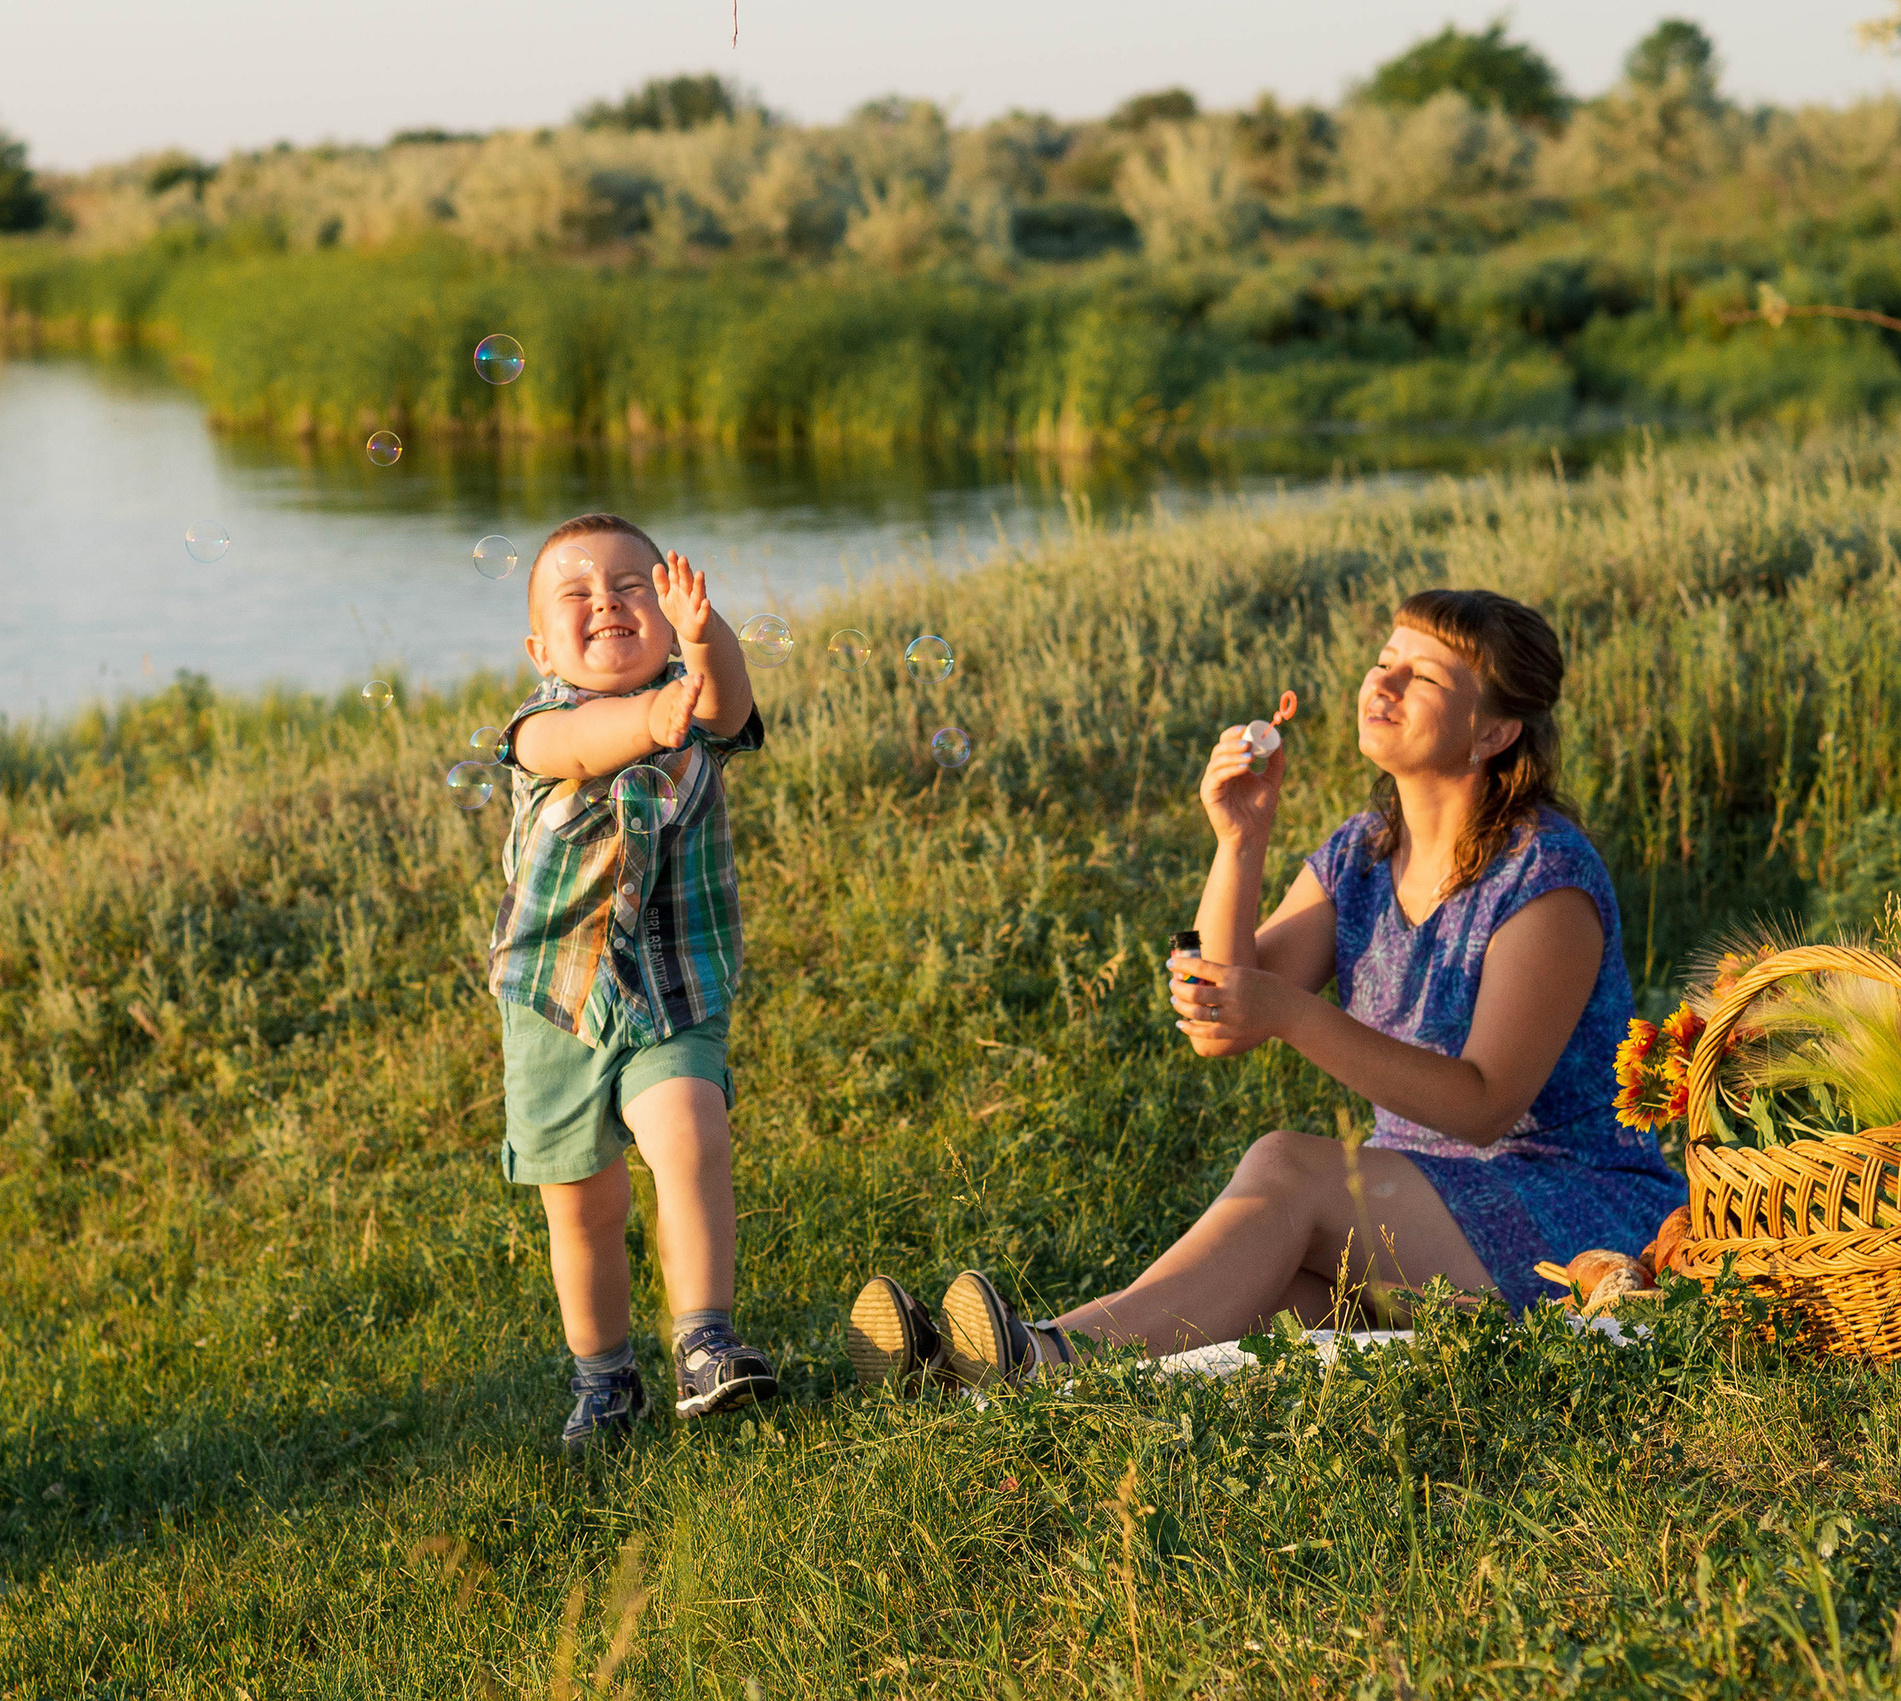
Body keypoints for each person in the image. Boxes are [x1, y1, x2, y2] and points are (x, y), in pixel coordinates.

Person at [847, 588, 1685, 1388]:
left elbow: (1483, 1105)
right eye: (1384, 660)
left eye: (1423, 676)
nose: (1383, 683)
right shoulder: (1362, 853)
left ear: (1494, 731)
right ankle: (995, 1371)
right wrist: (1239, 840)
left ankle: (1037, 1358)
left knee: (1288, 1168)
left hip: (1571, 1221)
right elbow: (1220, 1021)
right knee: (1258, 1300)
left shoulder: (1545, 879)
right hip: (1422, 1213)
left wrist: (1290, 1013)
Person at [491, 512, 780, 1448]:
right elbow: (582, 745)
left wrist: (705, 637)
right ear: (541, 648)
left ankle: (705, 1340)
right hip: (557, 1002)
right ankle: (606, 1377)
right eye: (576, 593)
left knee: (692, 1135)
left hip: (674, 985)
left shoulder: (694, 706)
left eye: (630, 588)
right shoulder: (537, 726)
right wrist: (650, 720)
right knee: (584, 1206)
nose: (606, 602)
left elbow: (728, 703)